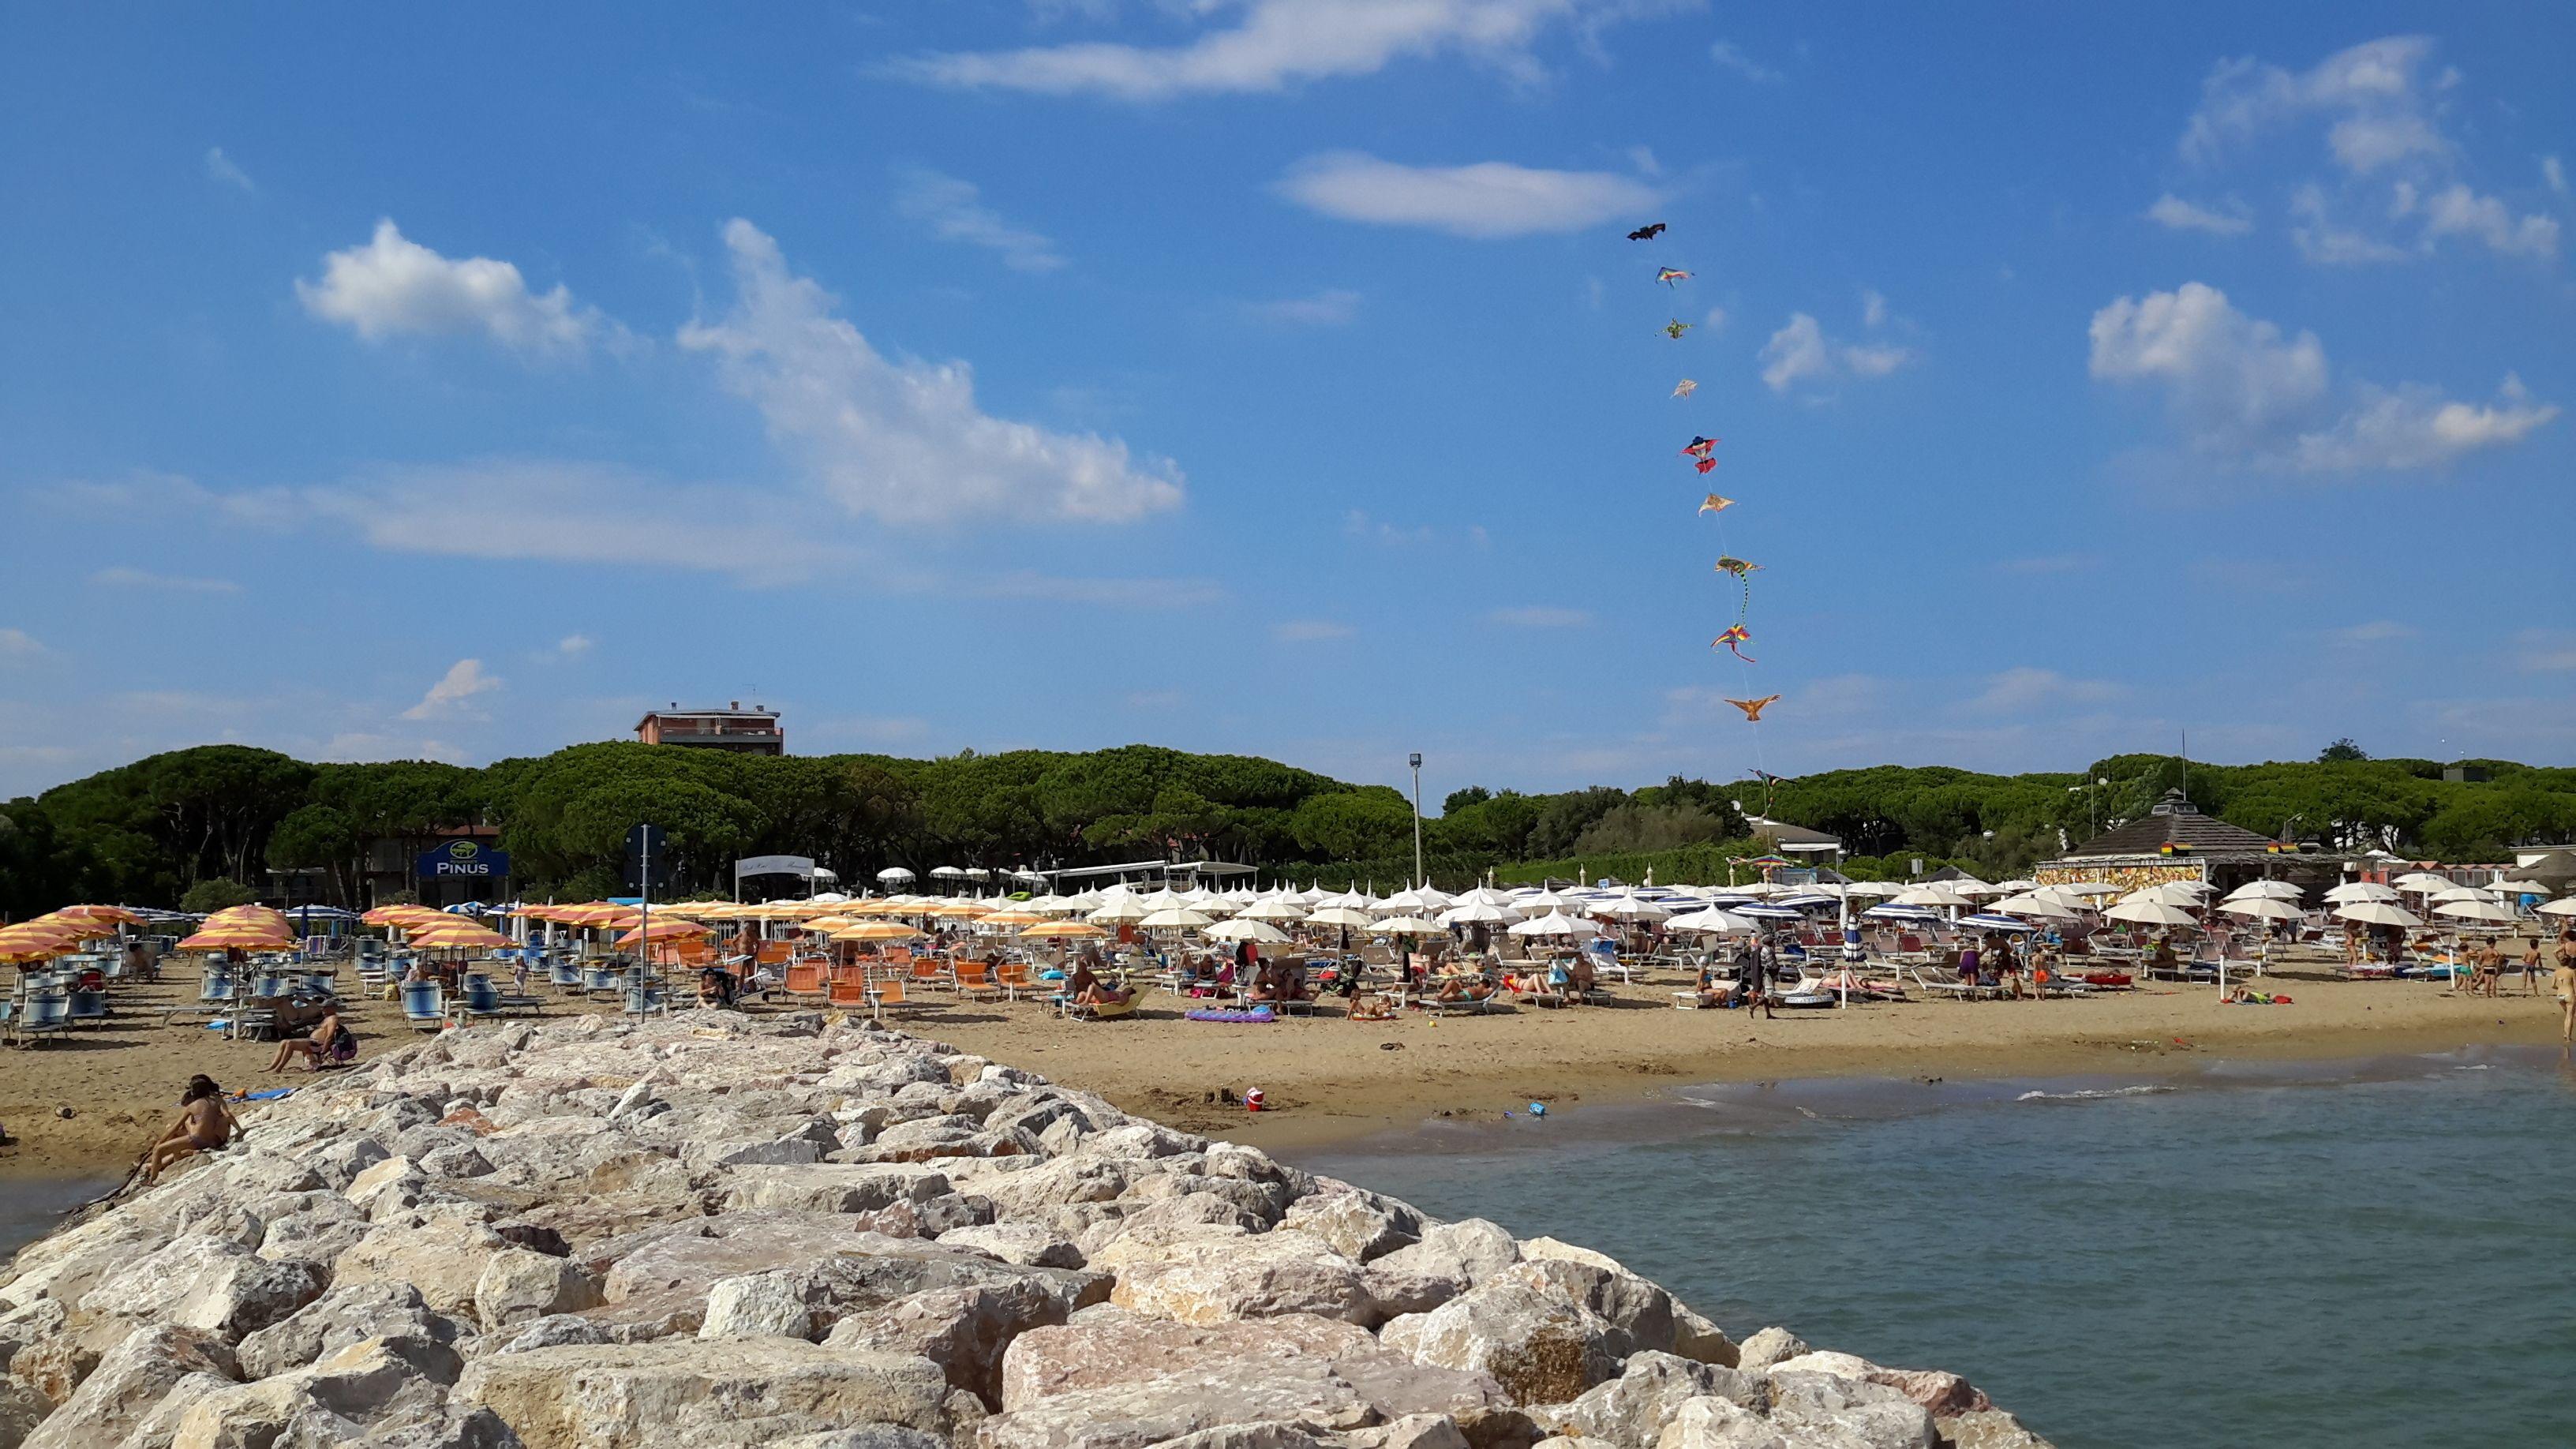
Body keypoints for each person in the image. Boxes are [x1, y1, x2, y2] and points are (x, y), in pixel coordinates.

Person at [142, 1076, 238, 1184]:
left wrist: (161, 1142)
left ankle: (151, 1181)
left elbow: (176, 1127)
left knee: (159, 1149)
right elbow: (228, 1115)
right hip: (218, 1140)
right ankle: (174, 1162)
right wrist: (240, 1130)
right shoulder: (219, 1101)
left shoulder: (193, 1106)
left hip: (199, 1140)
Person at [268, 1008, 354, 1073]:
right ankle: (273, 1066)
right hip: (313, 1042)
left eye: (325, 1008)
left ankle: (279, 1068)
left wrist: (323, 1052)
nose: (322, 1010)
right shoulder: (328, 1018)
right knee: (284, 1042)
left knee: (290, 1043)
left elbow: (329, 1036)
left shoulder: (333, 1019)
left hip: (317, 1044)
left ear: (331, 1008)